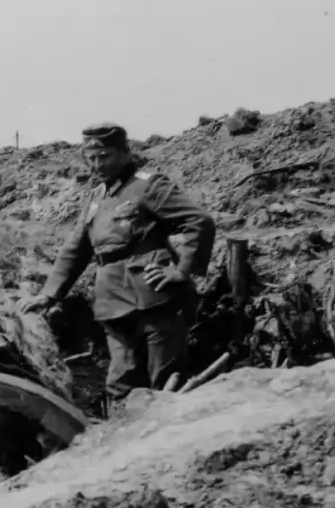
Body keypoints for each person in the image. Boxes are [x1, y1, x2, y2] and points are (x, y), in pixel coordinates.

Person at [20, 123, 214, 399]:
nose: (97, 164)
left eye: (105, 156)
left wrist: (181, 270)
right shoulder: (96, 197)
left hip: (154, 298)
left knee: (164, 380)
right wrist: (49, 294)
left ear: (124, 153)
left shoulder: (149, 185)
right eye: (91, 158)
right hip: (111, 302)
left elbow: (199, 221)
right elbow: (76, 249)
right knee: (120, 384)